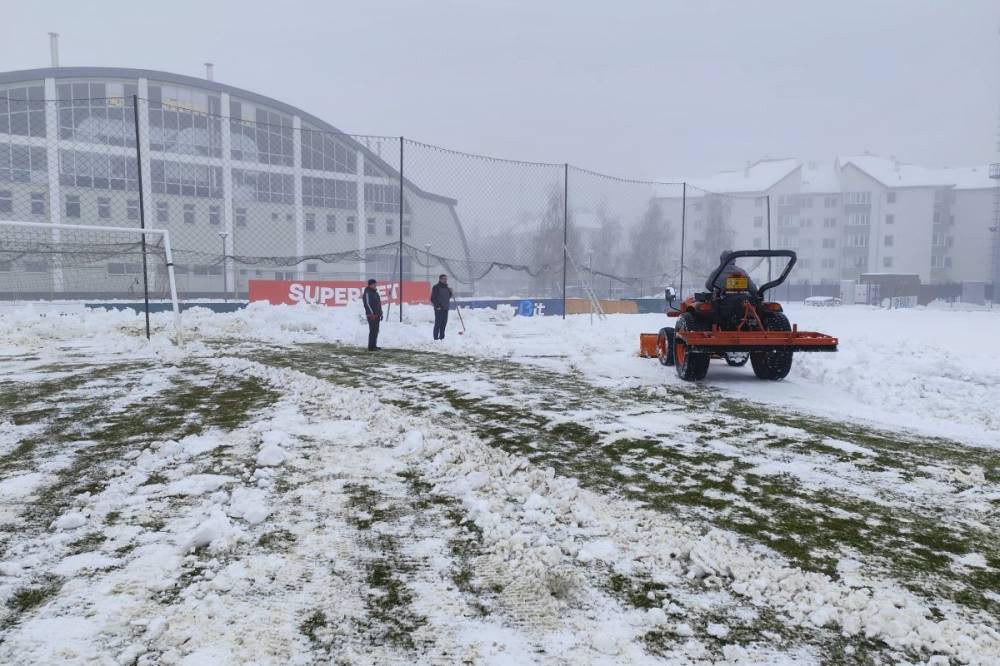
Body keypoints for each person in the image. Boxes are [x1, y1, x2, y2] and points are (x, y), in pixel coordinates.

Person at [430, 274, 453, 340]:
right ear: (440, 279)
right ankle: (436, 338)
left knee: (443, 324)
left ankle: (442, 338)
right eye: (444, 279)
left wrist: (450, 292)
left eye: (446, 279)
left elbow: (448, 297)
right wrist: (438, 305)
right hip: (439, 309)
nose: (445, 280)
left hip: (445, 308)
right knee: (438, 324)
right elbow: (433, 298)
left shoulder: (447, 288)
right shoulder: (436, 287)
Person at [362, 278, 383, 351]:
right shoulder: (367, 293)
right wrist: (371, 314)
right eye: (374, 284)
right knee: (372, 331)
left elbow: (379, 304)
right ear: (370, 285)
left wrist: (381, 313)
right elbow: (367, 304)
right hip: (371, 316)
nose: (375, 285)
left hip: (377, 315)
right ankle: (371, 347)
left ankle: (374, 345)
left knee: (376, 331)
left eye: (375, 284)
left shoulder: (376, 293)